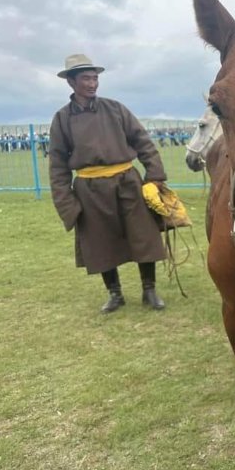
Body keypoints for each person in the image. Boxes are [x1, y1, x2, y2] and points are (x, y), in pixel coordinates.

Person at [48, 54, 168, 313]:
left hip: (127, 181)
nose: (92, 84)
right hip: (89, 189)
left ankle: (149, 290)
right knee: (99, 241)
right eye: (86, 79)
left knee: (143, 235)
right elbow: (57, 164)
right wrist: (66, 201)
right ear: (71, 82)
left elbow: (142, 142)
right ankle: (115, 294)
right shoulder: (62, 119)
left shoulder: (115, 109)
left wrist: (154, 176)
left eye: (95, 78)